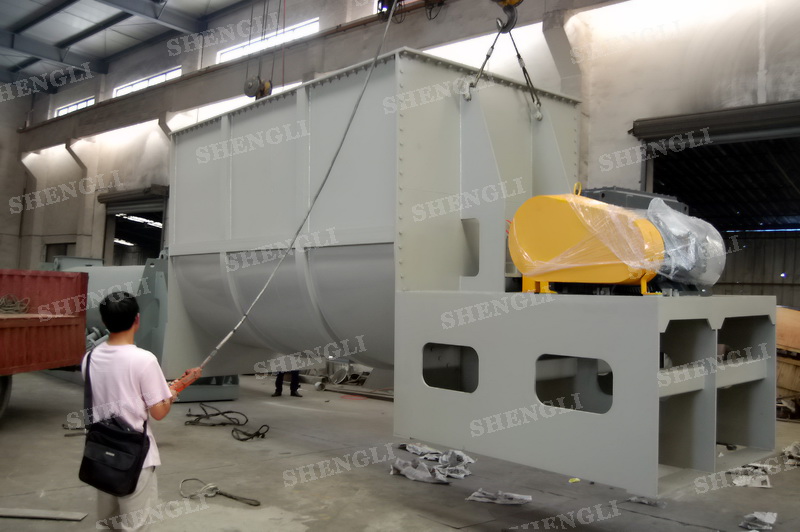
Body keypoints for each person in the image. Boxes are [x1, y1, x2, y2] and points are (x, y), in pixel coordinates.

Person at [83, 292, 178, 531]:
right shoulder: (144, 360)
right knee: (135, 526)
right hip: (134, 456)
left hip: (101, 451)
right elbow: (158, 412)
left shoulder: (90, 358)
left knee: (107, 523)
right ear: (137, 319)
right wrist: (170, 396)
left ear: (104, 321)